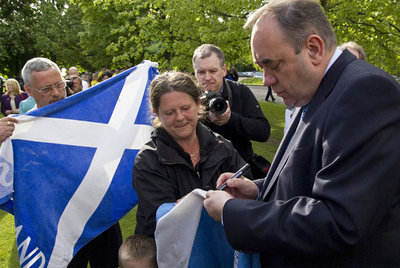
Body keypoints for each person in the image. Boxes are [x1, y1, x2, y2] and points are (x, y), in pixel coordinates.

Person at [203, 0, 400, 267]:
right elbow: (315, 177)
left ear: (314, 49)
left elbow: (338, 220)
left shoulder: (365, 92)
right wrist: (258, 191)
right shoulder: (321, 91)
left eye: (272, 65)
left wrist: (232, 211)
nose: (266, 80)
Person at [21, 57, 122, 267]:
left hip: (100, 212)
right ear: (28, 91)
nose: (57, 93)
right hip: (58, 223)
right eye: (46, 89)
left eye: (59, 84)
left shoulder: (87, 111)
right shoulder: (22, 132)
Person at [132, 71, 250, 236]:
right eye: (170, 112)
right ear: (156, 112)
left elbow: (248, 196)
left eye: (185, 108)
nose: (179, 117)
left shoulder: (222, 146)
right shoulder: (148, 160)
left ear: (198, 104)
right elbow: (163, 223)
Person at [192, 44, 271, 179]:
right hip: (203, 175)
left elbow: (263, 132)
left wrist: (230, 119)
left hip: (241, 172)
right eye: (201, 72)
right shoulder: (189, 98)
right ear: (195, 73)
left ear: (224, 70)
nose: (207, 77)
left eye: (212, 71)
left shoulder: (240, 91)